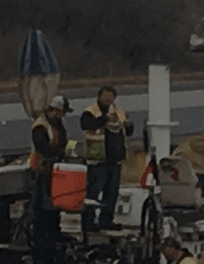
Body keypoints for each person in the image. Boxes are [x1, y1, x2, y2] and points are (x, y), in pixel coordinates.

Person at [80, 86, 133, 230]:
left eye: (111, 97)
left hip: (115, 159)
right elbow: (85, 125)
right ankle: (88, 222)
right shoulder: (90, 112)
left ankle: (106, 220)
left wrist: (129, 124)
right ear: (99, 96)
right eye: (105, 96)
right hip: (97, 159)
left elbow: (128, 132)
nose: (108, 99)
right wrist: (104, 119)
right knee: (93, 192)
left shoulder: (119, 112)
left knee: (112, 193)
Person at [28, 95, 71, 252]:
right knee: (41, 203)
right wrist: (59, 151)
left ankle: (54, 230)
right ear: (55, 110)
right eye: (61, 112)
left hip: (54, 168)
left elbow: (62, 140)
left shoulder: (56, 124)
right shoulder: (40, 126)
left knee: (54, 202)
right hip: (41, 169)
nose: (62, 116)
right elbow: (43, 147)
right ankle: (41, 234)